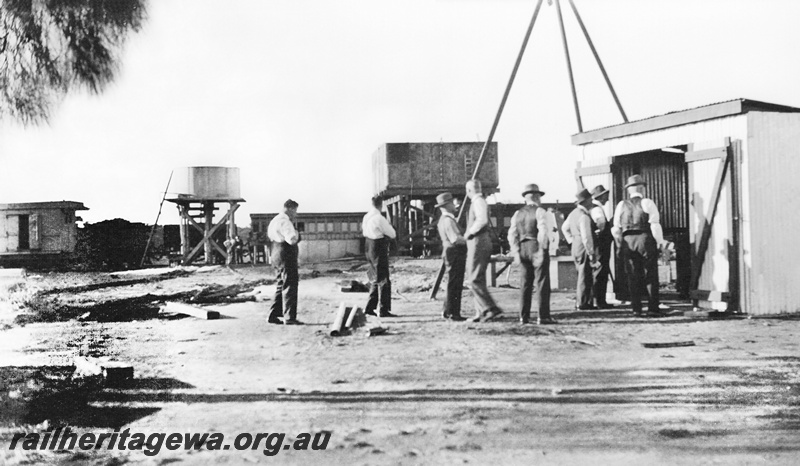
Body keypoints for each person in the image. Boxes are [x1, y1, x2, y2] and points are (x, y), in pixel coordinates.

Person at [611, 174, 668, 317]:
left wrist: (620, 244)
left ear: (629, 190)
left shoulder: (621, 205)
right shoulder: (647, 202)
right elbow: (654, 225)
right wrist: (660, 243)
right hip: (645, 239)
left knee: (632, 275)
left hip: (628, 241)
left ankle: (636, 308)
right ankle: (652, 308)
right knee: (650, 274)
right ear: (642, 187)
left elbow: (616, 228)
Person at [507, 183, 554, 325]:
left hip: (523, 247)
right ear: (537, 197)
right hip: (535, 245)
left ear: (526, 198)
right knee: (542, 282)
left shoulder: (517, 213)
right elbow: (544, 232)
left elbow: (512, 234)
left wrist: (515, 251)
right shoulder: (540, 211)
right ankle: (543, 316)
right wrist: (542, 249)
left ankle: (524, 316)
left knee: (525, 283)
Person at [464, 179, 502, 322]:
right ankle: (481, 312)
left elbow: (482, 220)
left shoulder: (478, 202)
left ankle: (490, 308)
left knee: (474, 278)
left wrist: (469, 233)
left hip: (479, 241)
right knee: (476, 277)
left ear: (468, 190)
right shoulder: (479, 201)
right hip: (478, 241)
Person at [267, 199, 303, 325]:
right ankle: (289, 317)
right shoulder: (285, 222)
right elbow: (292, 240)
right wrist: (298, 234)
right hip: (286, 254)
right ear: (290, 208)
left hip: (276, 253)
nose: (296, 214)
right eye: (295, 210)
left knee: (281, 284)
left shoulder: (274, 220)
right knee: (290, 284)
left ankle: (273, 315)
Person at [362, 195, 397, 318]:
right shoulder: (379, 218)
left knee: (374, 277)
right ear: (381, 204)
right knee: (383, 278)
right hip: (378, 247)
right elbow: (392, 234)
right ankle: (383, 310)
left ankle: (369, 307)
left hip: (368, 247)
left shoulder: (366, 217)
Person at [562, 188, 597, 311]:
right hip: (582, 245)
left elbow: (564, 228)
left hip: (575, 245)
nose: (592, 201)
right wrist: (591, 252)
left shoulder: (573, 214)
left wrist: (571, 240)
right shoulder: (584, 216)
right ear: (586, 201)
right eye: (590, 199)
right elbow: (587, 237)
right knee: (585, 274)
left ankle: (583, 301)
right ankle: (582, 303)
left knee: (581, 272)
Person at [435, 192, 467, 321]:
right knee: (455, 283)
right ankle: (454, 313)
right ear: (447, 205)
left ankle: (447, 310)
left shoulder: (443, 220)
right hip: (455, 252)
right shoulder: (448, 220)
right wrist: (469, 239)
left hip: (449, 251)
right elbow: (456, 239)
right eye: (452, 203)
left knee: (452, 282)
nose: (455, 205)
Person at [590, 185, 614, 308]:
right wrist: (601, 234)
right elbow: (601, 222)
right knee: (601, 272)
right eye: (606, 196)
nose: (607, 199)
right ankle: (599, 301)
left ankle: (597, 300)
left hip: (598, 244)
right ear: (600, 196)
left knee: (599, 271)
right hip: (601, 245)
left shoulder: (592, 207)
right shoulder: (597, 209)